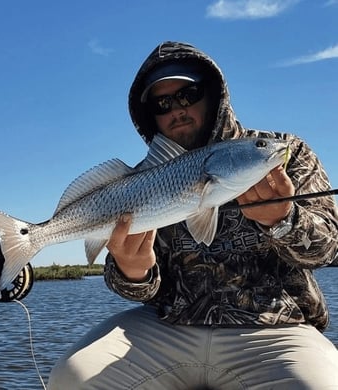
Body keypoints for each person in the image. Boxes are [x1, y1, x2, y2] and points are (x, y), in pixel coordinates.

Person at [48, 41, 338, 389]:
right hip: (169, 326)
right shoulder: (141, 181)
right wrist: (133, 272)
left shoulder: (283, 153)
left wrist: (285, 220)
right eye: (162, 103)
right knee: (71, 378)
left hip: (274, 328)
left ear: (214, 96)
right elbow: (131, 287)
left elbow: (328, 250)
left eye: (188, 94)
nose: (177, 110)